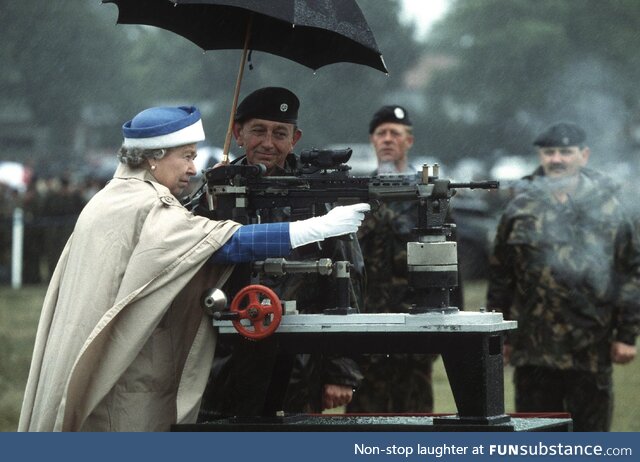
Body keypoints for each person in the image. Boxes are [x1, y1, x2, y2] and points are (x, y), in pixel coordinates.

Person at [18, 105, 369, 431]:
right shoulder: (148, 205)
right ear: (154, 158)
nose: (192, 168)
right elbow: (224, 243)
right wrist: (317, 228)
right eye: (186, 156)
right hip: (127, 380)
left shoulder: (114, 197)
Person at [199, 87, 364, 418]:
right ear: (238, 133)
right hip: (223, 361)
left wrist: (340, 371)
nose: (268, 143)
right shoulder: (216, 195)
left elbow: (349, 279)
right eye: (258, 130)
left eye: (279, 133)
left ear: (295, 139)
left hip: (298, 362)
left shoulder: (315, 198)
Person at [486, 121, 640, 431]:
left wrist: (626, 335)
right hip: (532, 350)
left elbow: (629, 272)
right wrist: (498, 338)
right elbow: (501, 276)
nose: (557, 159)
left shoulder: (610, 208)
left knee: (590, 442)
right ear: (541, 156)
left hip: (590, 348)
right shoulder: (520, 208)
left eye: (565, 152)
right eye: (549, 152)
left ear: (584, 155)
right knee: (537, 442)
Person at [347, 105, 462, 413]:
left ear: (408, 141)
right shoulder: (357, 197)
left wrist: (450, 330)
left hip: (416, 333)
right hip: (366, 334)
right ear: (372, 140)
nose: (387, 139)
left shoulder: (428, 200)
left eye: (395, 134)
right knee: (362, 426)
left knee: (417, 425)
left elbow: (451, 271)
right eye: (381, 133)